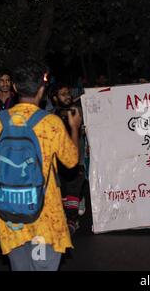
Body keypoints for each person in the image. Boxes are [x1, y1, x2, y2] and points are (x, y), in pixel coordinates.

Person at [0, 60, 82, 271]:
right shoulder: (51, 124)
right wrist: (74, 128)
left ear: (14, 87)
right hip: (45, 219)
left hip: (10, 219)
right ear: (42, 89)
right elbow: (72, 161)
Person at [50, 82, 85, 233]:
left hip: (77, 160)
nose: (67, 96)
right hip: (58, 162)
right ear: (55, 98)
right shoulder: (51, 117)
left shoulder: (77, 112)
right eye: (63, 94)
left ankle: (72, 220)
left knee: (74, 189)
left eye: (68, 93)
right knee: (63, 192)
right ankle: (66, 219)